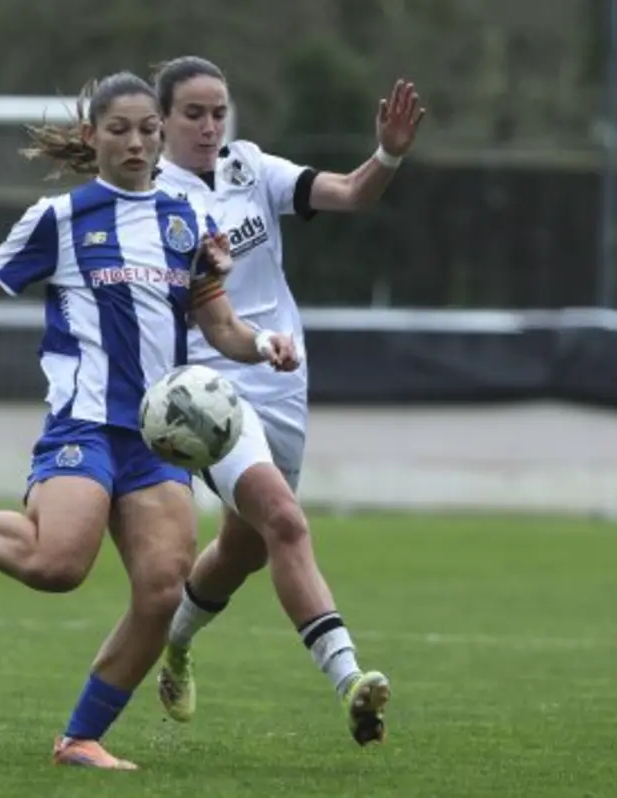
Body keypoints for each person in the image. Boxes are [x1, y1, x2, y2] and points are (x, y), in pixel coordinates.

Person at [0, 70, 300, 771]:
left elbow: (221, 328)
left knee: (162, 589)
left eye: (148, 129)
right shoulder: (58, 219)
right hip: (83, 424)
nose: (137, 142)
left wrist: (263, 345)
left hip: (158, 439)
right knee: (56, 565)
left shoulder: (188, 223)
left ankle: (81, 738)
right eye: (120, 130)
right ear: (92, 135)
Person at [149, 56, 426, 746]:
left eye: (218, 112)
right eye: (194, 114)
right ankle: (351, 681)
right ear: (162, 121)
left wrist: (388, 155)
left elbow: (351, 193)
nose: (210, 126)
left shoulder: (248, 167)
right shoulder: (151, 201)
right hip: (211, 394)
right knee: (287, 522)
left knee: (243, 550)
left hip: (283, 382)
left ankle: (174, 644)